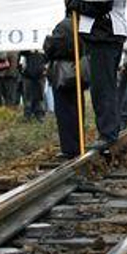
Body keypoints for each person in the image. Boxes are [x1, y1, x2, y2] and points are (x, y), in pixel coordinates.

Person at [64, 0, 127, 146]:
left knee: (102, 88)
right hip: (107, 33)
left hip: (104, 34)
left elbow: (98, 7)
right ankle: (110, 130)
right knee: (106, 86)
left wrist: (72, 2)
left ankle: (108, 133)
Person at [43, 12, 88, 159]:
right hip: (78, 70)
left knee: (64, 111)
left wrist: (47, 43)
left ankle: (69, 148)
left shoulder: (63, 25)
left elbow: (53, 47)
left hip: (63, 72)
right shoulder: (83, 25)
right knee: (77, 109)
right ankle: (79, 143)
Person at [20, 49, 47, 121]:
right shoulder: (25, 49)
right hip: (27, 75)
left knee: (39, 96)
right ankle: (28, 114)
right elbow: (20, 57)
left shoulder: (42, 48)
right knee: (28, 96)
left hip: (40, 75)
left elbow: (47, 58)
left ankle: (39, 114)